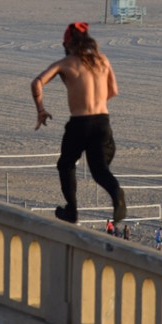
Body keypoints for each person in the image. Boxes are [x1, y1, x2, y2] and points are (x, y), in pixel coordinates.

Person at [31, 22, 126, 225]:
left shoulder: (65, 63)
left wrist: (41, 110)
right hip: (102, 121)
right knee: (99, 170)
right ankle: (116, 193)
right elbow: (114, 90)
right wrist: (97, 103)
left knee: (66, 164)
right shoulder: (102, 60)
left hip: (79, 123)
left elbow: (37, 82)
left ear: (68, 43)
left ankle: (72, 210)